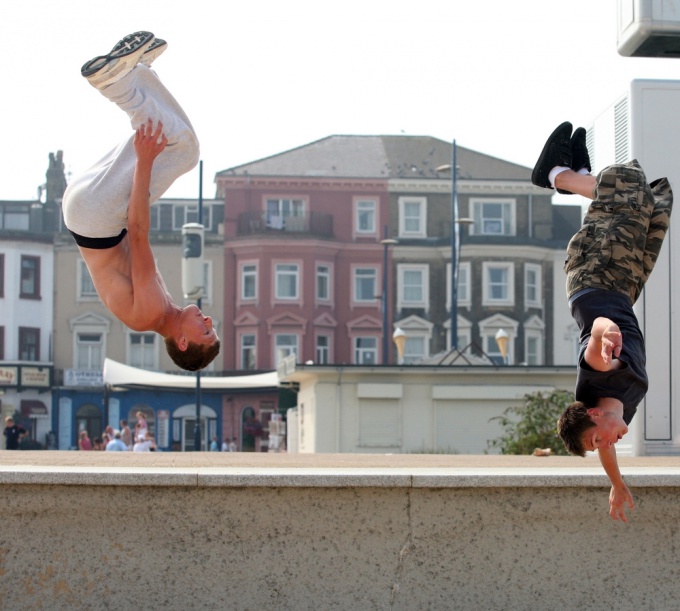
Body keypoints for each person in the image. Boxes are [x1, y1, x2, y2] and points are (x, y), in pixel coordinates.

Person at [531, 121, 673, 523]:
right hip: (622, 287)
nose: (606, 443)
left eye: (597, 440)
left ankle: (556, 175)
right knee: (655, 209)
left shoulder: (598, 376)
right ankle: (577, 172)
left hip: (595, 280)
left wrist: (604, 330)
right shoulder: (619, 409)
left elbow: (594, 339)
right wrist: (617, 482)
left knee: (629, 191)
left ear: (594, 415)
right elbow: (608, 450)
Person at [62, 31, 220, 371]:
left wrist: (146, 162)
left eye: (204, 331)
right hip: (90, 214)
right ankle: (135, 73)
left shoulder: (151, 312)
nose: (207, 320)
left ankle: (119, 84)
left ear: (182, 341)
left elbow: (137, 232)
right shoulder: (163, 308)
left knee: (184, 151)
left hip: (96, 217)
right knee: (174, 140)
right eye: (212, 326)